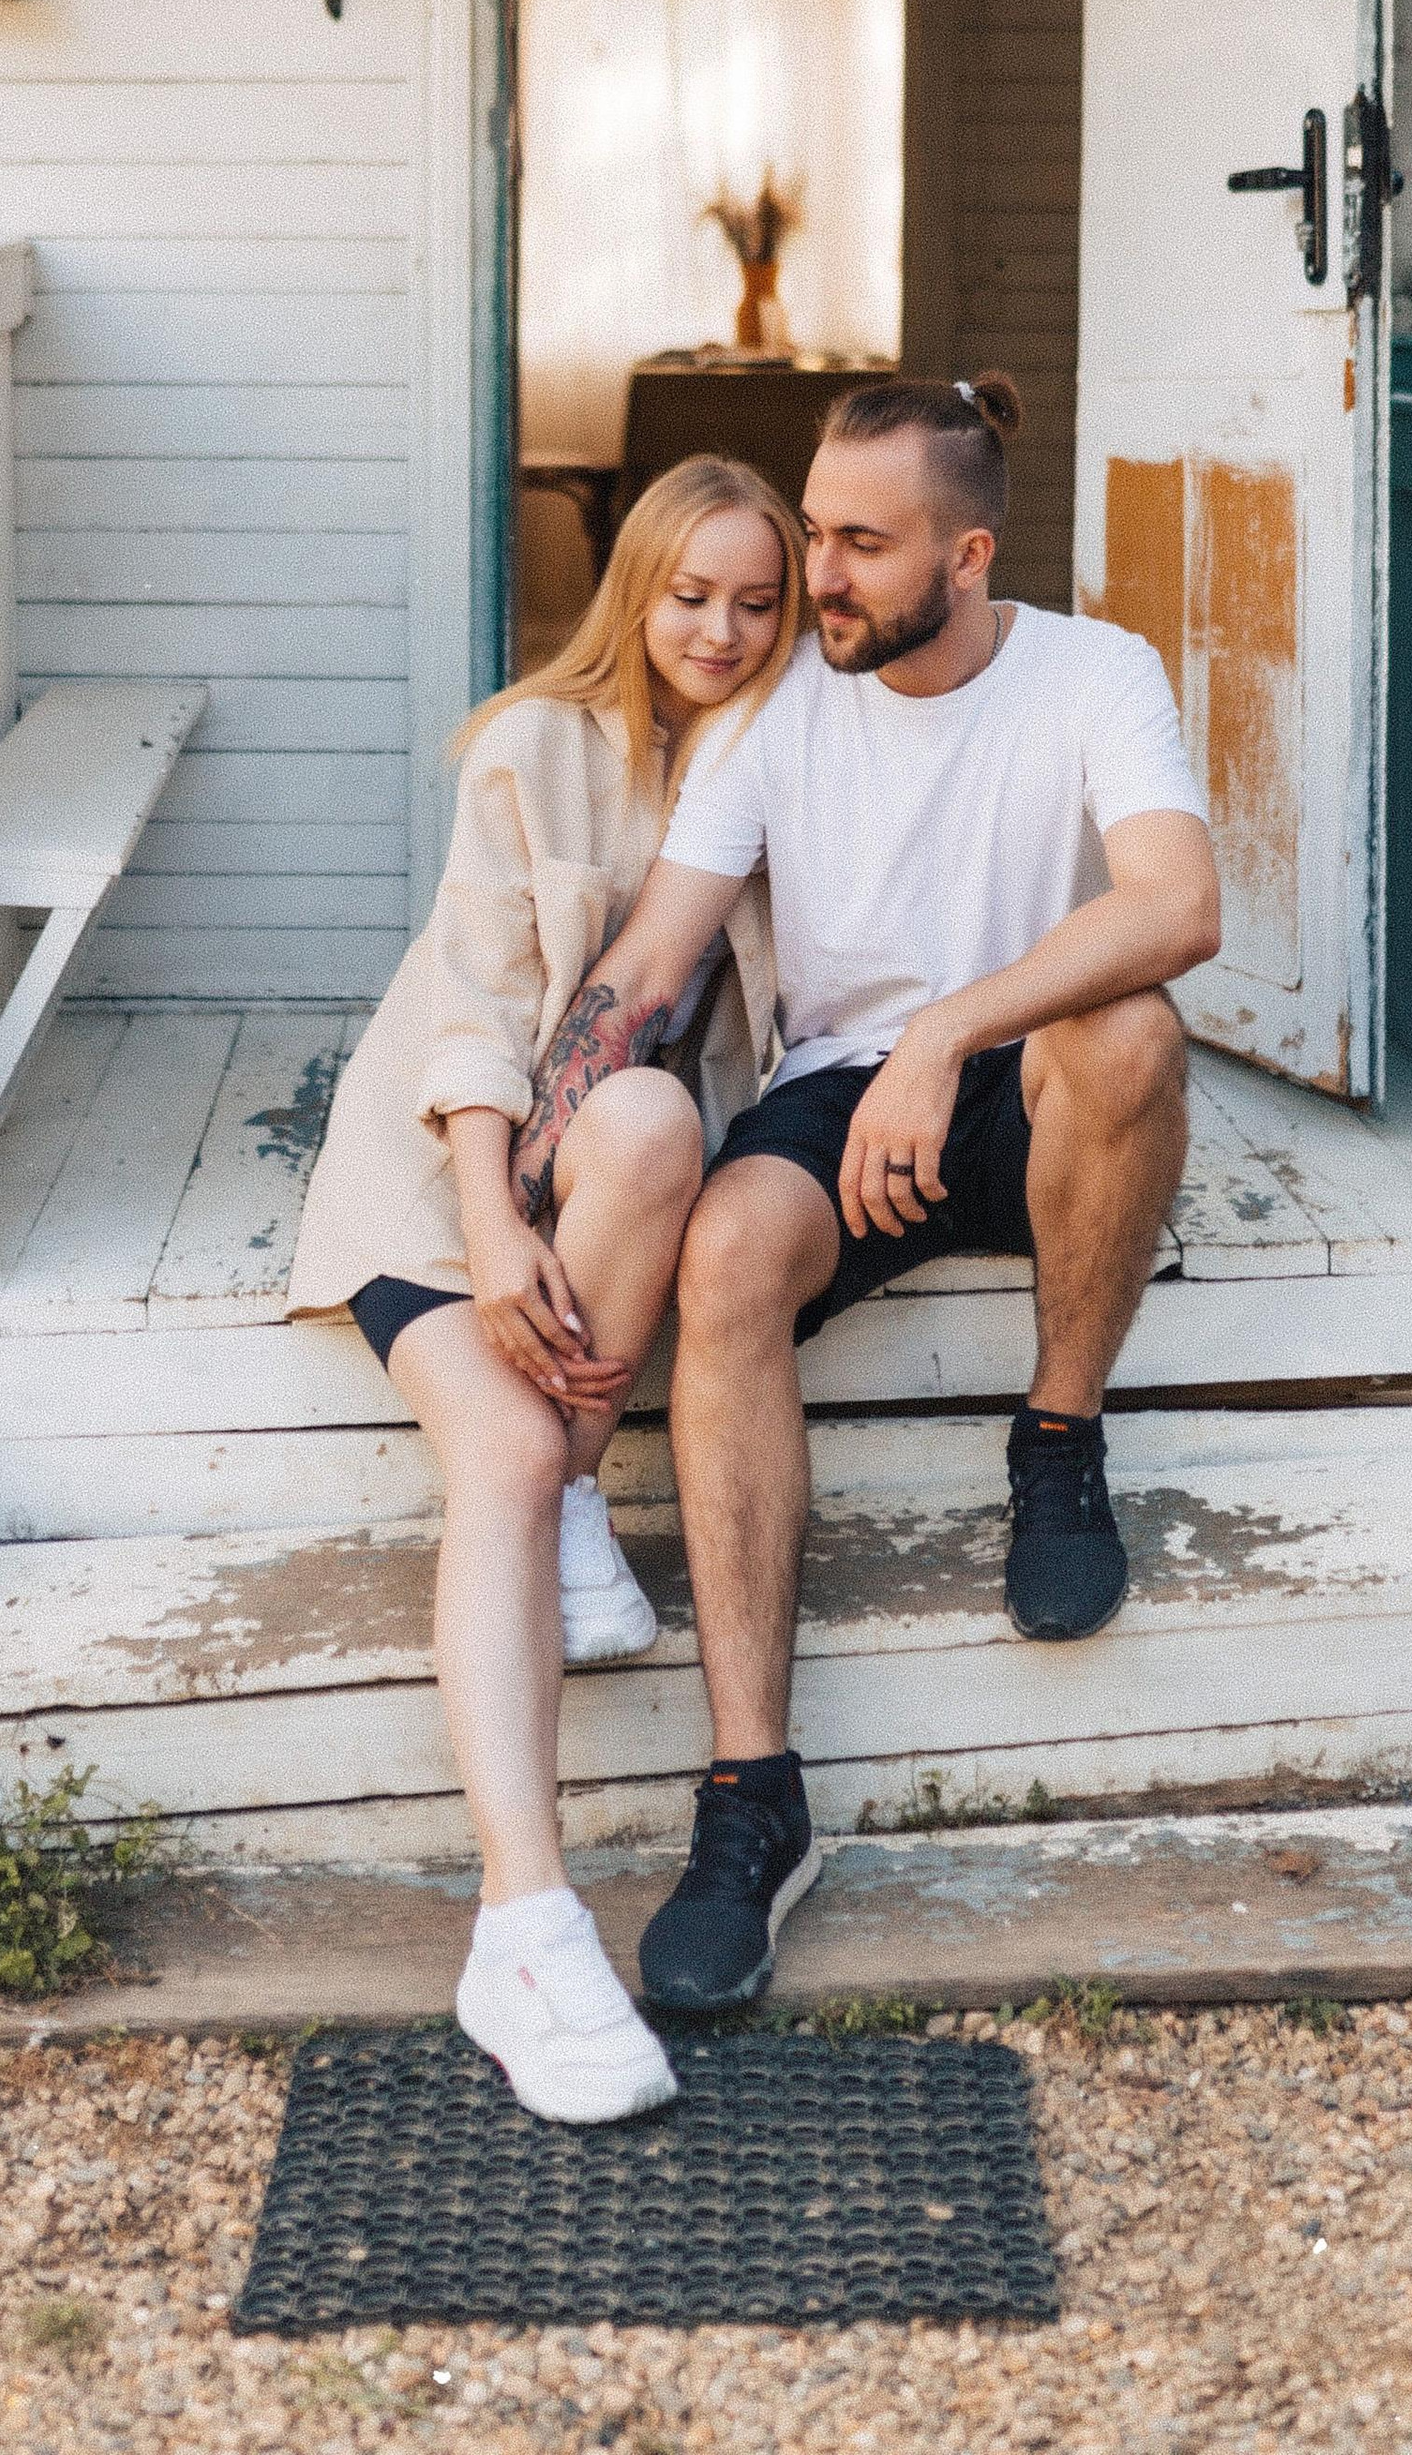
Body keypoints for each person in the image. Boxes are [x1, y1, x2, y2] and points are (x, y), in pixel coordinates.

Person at [505, 372, 1221, 2021]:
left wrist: (958, 1024)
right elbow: (652, 965)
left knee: (1128, 1029)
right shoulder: (774, 717)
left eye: (860, 547)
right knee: (733, 1249)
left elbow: (1179, 904)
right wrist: (519, 1170)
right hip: (839, 1104)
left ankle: (1059, 1435)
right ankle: (754, 1799)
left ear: (967, 557)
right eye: (814, 532)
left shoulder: (1093, 673)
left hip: (1021, 1072)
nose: (816, 579)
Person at [286, 454, 802, 2120]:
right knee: (495, 1459)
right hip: (438, 1169)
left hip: (611, 1186)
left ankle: (578, 1486)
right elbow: (478, 999)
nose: (718, 630)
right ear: (633, 590)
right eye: (688, 594)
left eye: (756, 601)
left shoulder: (783, 759)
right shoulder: (533, 747)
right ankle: (525, 1921)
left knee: (652, 1114)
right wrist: (490, 1229)